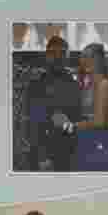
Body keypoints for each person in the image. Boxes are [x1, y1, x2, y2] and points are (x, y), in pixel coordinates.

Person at [24, 34, 81, 172]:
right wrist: (42, 157)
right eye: (53, 53)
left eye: (62, 53)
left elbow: (79, 117)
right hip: (43, 152)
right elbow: (33, 123)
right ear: (47, 56)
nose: (58, 57)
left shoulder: (74, 85)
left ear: (67, 56)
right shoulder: (36, 84)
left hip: (68, 152)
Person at [73, 42, 108, 171]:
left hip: (97, 141)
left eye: (89, 58)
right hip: (84, 138)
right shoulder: (87, 84)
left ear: (99, 61)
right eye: (83, 58)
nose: (85, 62)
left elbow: (99, 122)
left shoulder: (103, 85)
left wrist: (73, 126)